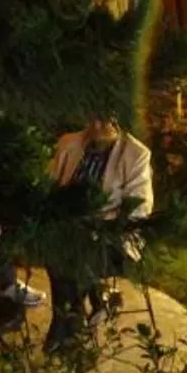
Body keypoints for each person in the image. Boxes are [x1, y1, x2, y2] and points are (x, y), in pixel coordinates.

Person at [43, 115, 154, 350]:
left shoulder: (135, 154)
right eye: (93, 120)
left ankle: (66, 329)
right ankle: (86, 308)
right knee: (57, 254)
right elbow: (49, 183)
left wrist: (100, 224)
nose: (96, 127)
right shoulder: (70, 143)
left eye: (104, 122)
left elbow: (140, 207)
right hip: (68, 231)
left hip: (111, 239)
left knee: (66, 261)